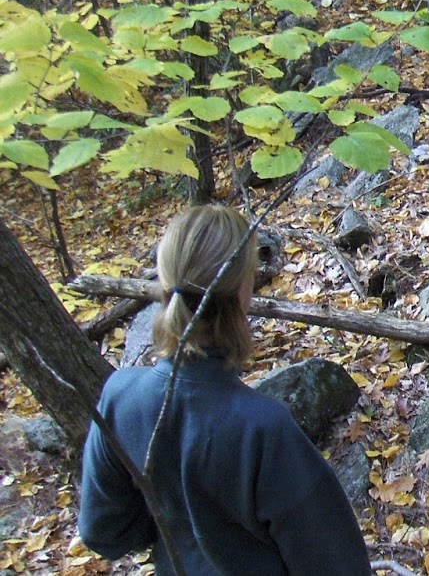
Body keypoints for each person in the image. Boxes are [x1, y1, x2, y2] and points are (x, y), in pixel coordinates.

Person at [78, 204, 371, 575]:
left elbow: (103, 533)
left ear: (164, 280)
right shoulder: (264, 430)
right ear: (242, 292)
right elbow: (338, 566)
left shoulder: (119, 397)